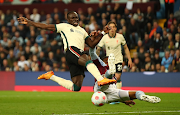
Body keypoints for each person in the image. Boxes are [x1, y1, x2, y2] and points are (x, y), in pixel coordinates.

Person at [18, 11, 116, 92]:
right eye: (73, 18)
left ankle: (51, 76)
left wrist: (103, 33)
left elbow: (91, 44)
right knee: (87, 60)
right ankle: (100, 79)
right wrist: (29, 22)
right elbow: (45, 26)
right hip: (71, 50)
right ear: (68, 20)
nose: (75, 19)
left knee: (76, 87)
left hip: (78, 55)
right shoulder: (64, 26)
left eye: (76, 17)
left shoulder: (82, 30)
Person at [88, 32, 161, 106]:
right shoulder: (99, 64)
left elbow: (114, 93)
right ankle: (109, 73)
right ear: (103, 61)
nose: (108, 62)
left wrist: (124, 100)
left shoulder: (112, 74)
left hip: (111, 92)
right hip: (100, 87)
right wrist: (93, 42)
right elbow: (92, 53)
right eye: (107, 60)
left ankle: (142, 96)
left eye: (109, 61)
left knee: (136, 93)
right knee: (107, 77)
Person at [96, 21, 132, 90]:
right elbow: (98, 49)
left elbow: (126, 48)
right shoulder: (104, 38)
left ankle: (117, 93)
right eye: (110, 27)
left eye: (113, 27)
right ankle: (113, 92)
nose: (112, 29)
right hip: (109, 61)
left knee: (117, 76)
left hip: (118, 59)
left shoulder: (120, 37)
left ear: (116, 28)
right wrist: (96, 59)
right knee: (110, 78)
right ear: (108, 29)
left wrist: (129, 59)